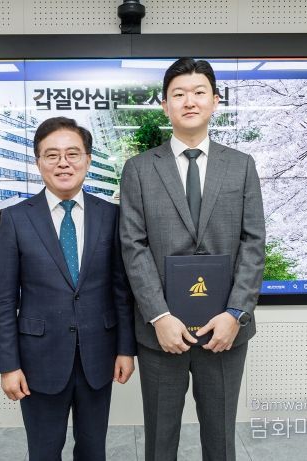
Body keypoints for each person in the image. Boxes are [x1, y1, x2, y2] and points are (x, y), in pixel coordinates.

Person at [119, 58, 266, 461]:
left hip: (224, 332)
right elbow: (133, 246)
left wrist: (235, 313)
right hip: (161, 333)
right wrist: (159, 316)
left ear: (215, 101)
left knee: (220, 442)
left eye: (199, 92)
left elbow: (254, 243)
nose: (189, 101)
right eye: (178, 94)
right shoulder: (139, 170)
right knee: (160, 442)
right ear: (164, 105)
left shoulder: (241, 166)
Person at [0, 116, 136, 461]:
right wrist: (8, 366)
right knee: (43, 452)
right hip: (38, 360)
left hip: (98, 357)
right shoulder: (16, 219)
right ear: (39, 162)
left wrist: (125, 350)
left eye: (73, 154)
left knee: (93, 451)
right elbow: (4, 300)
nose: (63, 163)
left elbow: (121, 290)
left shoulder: (111, 215)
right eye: (52, 155)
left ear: (87, 159)